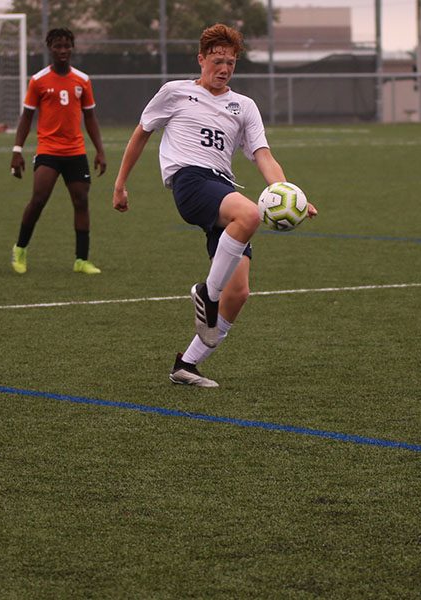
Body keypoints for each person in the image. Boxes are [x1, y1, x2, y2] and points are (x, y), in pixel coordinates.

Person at [112, 23, 317, 388]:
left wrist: (290, 193)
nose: (224, 69)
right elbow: (141, 133)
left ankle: (186, 365)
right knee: (250, 213)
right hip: (190, 182)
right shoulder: (174, 93)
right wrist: (120, 183)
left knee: (238, 293)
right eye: (218, 61)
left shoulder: (244, 106)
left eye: (231, 63)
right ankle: (206, 293)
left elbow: (263, 155)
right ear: (201, 59)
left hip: (221, 188)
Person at [9, 28, 107, 275]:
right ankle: (20, 248)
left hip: (75, 151)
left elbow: (91, 117)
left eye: (66, 46)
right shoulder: (38, 80)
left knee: (81, 201)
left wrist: (100, 150)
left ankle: (81, 260)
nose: (62, 51)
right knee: (39, 198)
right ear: (49, 48)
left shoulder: (82, 80)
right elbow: (26, 117)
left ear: (72, 47)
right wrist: (17, 150)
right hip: (49, 150)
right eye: (57, 46)